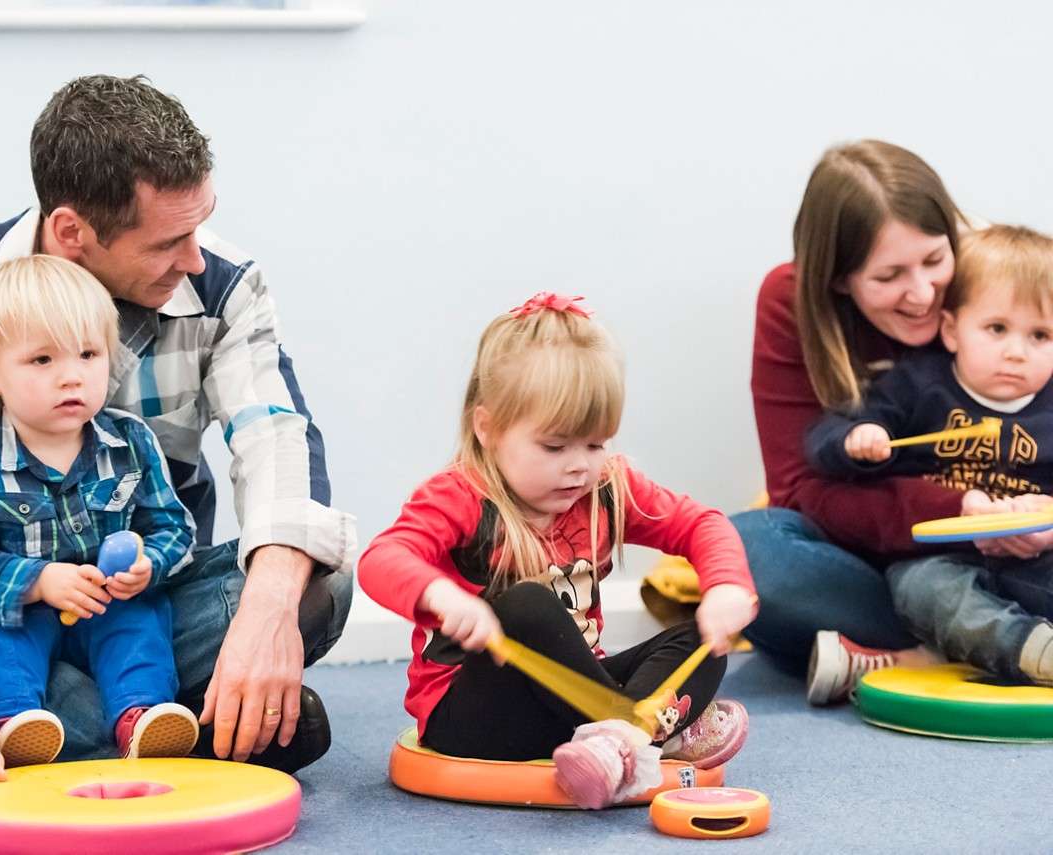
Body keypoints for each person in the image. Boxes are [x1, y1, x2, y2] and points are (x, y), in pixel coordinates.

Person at [0, 74, 355, 826]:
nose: (194, 259)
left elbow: (277, 434)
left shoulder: (224, 283)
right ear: (74, 231)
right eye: (168, 241)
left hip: (138, 608)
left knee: (319, 583)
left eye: (200, 227)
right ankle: (174, 731)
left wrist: (271, 608)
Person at [357, 292, 757, 810]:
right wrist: (442, 596)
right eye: (555, 447)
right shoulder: (459, 496)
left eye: (595, 445)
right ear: (488, 427)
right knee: (526, 605)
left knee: (702, 639)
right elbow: (381, 560)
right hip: (476, 716)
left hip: (576, 706)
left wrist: (725, 588)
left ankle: (620, 739)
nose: (580, 467)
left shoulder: (608, 489)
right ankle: (643, 732)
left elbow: (702, 524)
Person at [732, 140, 991, 694]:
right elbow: (798, 492)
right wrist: (961, 513)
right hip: (873, 559)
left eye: (934, 260)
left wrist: (1013, 518)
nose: (921, 293)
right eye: (889, 276)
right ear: (838, 279)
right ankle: (963, 643)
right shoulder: (789, 300)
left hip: (1007, 542)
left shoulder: (994, 279)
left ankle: (903, 655)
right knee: (746, 552)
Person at [0, 254, 201, 764]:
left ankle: (140, 716)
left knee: (139, 624)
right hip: (24, 607)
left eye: (88, 355)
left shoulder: (130, 442)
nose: (71, 377)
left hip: (108, 603)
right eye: (42, 361)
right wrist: (38, 581)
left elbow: (172, 525)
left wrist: (148, 564)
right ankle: (13, 721)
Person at [803, 225, 1053, 698]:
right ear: (953, 330)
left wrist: (1045, 527)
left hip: (1031, 557)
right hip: (937, 559)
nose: (1016, 352)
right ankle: (1031, 653)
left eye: (1040, 335)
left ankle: (942, 656)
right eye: (997, 329)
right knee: (928, 594)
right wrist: (858, 437)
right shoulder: (917, 384)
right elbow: (823, 440)